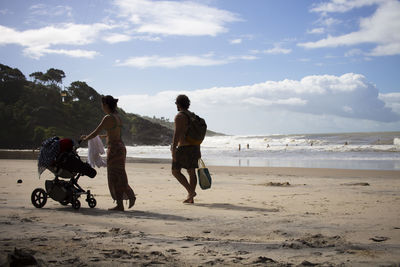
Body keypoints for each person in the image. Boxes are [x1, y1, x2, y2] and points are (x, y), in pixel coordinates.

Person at [81, 95, 135, 211]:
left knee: (114, 177)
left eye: (102, 104)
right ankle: (127, 196)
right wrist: (101, 136)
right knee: (120, 174)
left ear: (106, 105)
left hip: (114, 149)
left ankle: (125, 199)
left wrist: (85, 139)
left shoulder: (108, 118)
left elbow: (95, 132)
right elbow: (112, 133)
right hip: (121, 148)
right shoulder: (118, 118)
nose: (102, 106)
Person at [171, 95, 201, 204]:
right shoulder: (192, 116)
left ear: (178, 104)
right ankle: (190, 197)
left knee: (175, 171)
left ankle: (190, 192)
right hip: (194, 146)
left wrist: (173, 149)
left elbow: (177, 134)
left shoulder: (180, 116)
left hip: (184, 148)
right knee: (191, 172)